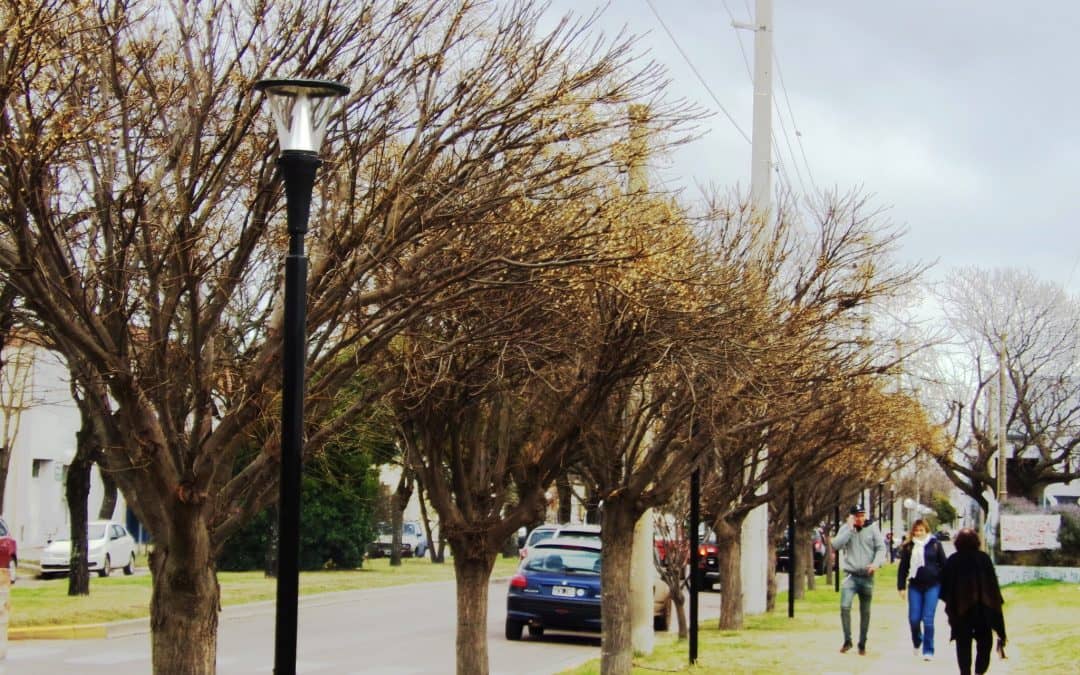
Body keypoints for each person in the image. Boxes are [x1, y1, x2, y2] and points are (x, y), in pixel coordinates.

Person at [940, 528, 1007, 675]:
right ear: (976, 542)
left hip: (960, 611)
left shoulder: (953, 560)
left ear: (958, 543)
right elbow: (992, 585)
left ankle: (965, 672)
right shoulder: (984, 558)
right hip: (984, 609)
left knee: (963, 644)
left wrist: (953, 602)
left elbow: (944, 588)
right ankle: (979, 672)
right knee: (985, 643)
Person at [831, 504, 886, 655]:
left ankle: (862, 643)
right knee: (845, 607)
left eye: (862, 515)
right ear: (851, 517)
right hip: (851, 575)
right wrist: (849, 529)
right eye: (857, 516)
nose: (861, 518)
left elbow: (881, 548)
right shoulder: (846, 528)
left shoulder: (873, 528)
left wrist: (876, 563)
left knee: (865, 611)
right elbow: (836, 544)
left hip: (867, 576)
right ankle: (847, 640)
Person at [897, 519, 948, 661]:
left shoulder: (935, 544)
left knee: (928, 619)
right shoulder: (909, 547)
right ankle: (917, 640)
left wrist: (947, 584)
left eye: (921, 530)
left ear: (926, 531)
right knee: (914, 619)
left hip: (933, 585)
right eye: (916, 530)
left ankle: (928, 649)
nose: (918, 533)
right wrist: (901, 587)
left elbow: (944, 565)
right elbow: (903, 568)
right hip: (915, 585)